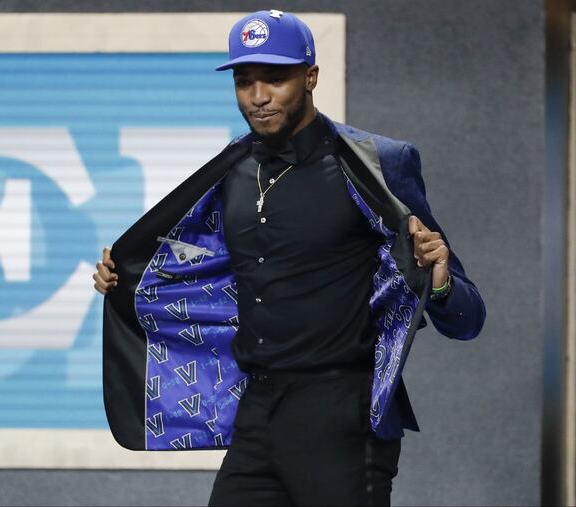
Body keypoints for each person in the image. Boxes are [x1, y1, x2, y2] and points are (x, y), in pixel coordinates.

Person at [93, 9, 485, 506]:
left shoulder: (377, 166)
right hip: (257, 413)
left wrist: (442, 284)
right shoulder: (232, 171)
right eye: (244, 81)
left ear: (311, 77)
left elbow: (469, 319)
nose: (258, 97)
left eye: (275, 79)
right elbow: (199, 272)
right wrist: (127, 279)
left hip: (342, 418)